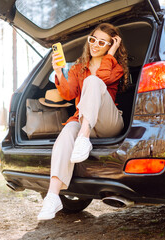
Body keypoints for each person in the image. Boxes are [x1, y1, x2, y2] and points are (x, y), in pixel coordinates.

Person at [37, 23, 129, 221]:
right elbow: (69, 94)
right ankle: (53, 196)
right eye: (93, 39)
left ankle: (84, 137)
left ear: (110, 45)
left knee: (92, 81)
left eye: (102, 42)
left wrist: (110, 53)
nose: (95, 44)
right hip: (82, 119)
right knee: (68, 129)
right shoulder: (79, 67)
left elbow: (102, 78)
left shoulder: (115, 66)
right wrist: (59, 73)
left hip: (108, 124)